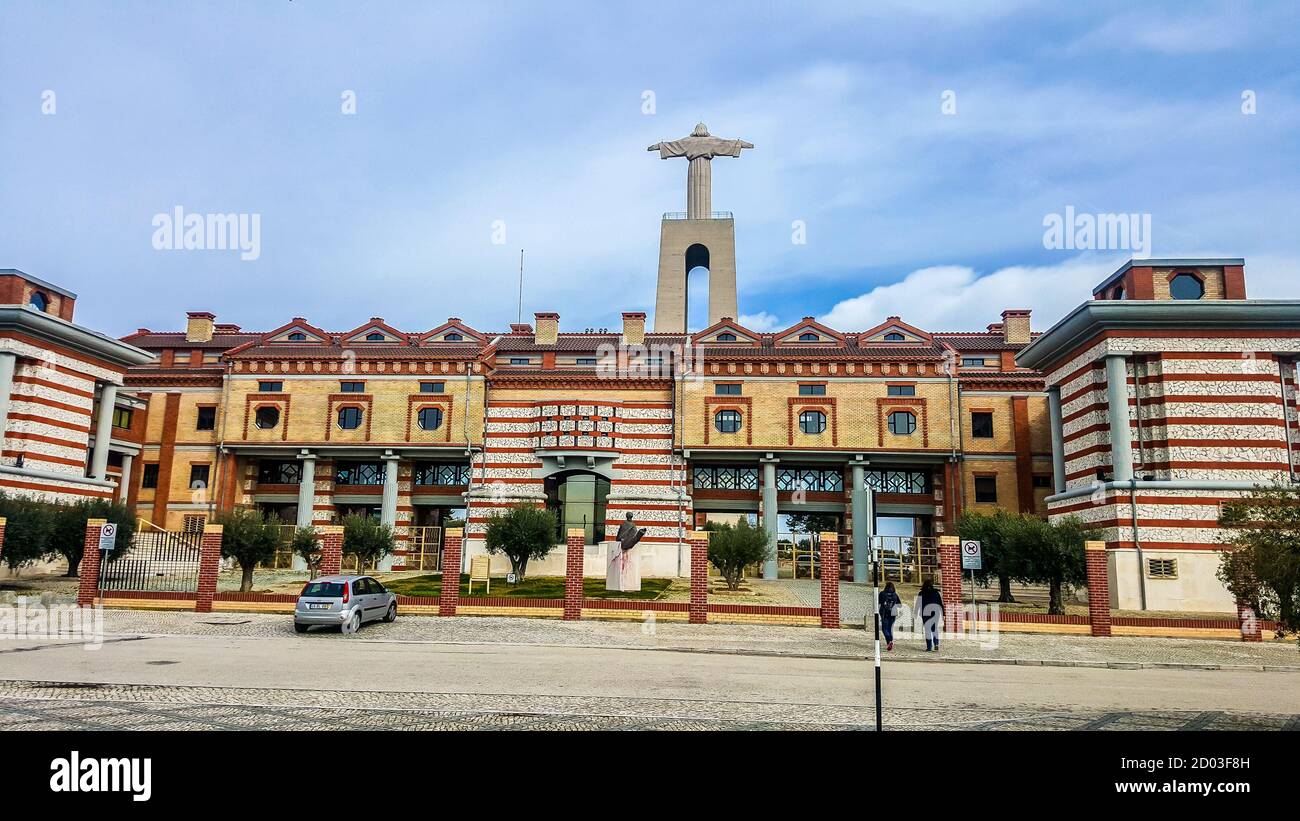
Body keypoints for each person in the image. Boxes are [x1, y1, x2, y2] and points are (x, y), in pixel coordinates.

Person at [917, 579, 944, 652]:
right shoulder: (936, 593)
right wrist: (943, 613)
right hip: (935, 613)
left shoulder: (921, 593)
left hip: (925, 614)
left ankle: (929, 647)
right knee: (934, 628)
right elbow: (940, 603)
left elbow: (918, 604)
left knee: (927, 630)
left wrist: (916, 613)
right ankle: (936, 644)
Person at [878, 582, 901, 651]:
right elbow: (900, 605)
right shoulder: (895, 595)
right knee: (890, 628)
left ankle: (889, 641)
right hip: (893, 613)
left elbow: (879, 603)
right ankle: (890, 642)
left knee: (884, 629)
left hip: (884, 613)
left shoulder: (882, 593)